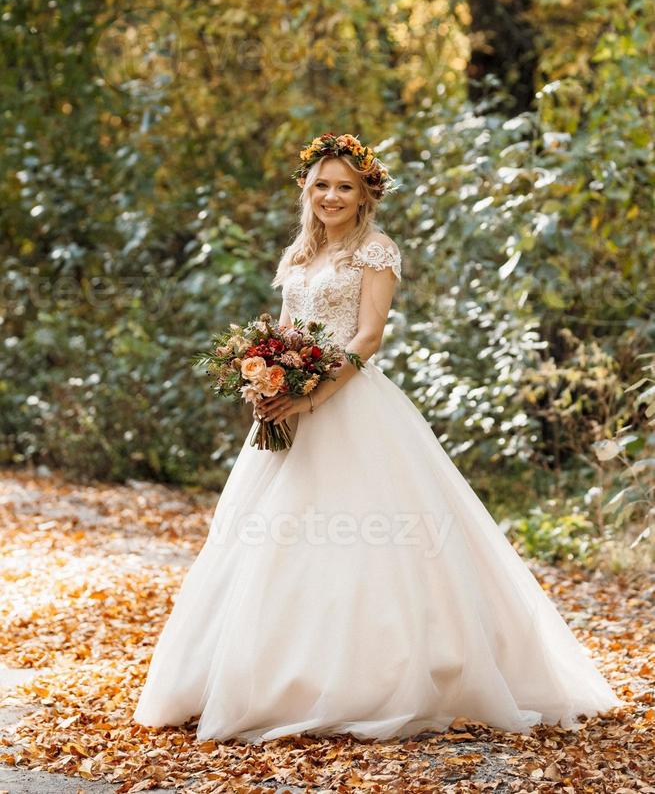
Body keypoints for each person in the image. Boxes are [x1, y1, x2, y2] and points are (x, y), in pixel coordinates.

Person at [133, 132, 623, 744]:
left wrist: (311, 396)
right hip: (288, 408)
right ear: (306, 192)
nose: (332, 196)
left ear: (366, 194)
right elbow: (284, 332)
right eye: (321, 186)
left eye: (345, 186)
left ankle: (368, 679)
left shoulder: (376, 251)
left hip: (350, 402)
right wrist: (266, 384)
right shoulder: (297, 256)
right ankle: (262, 675)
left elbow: (367, 337)